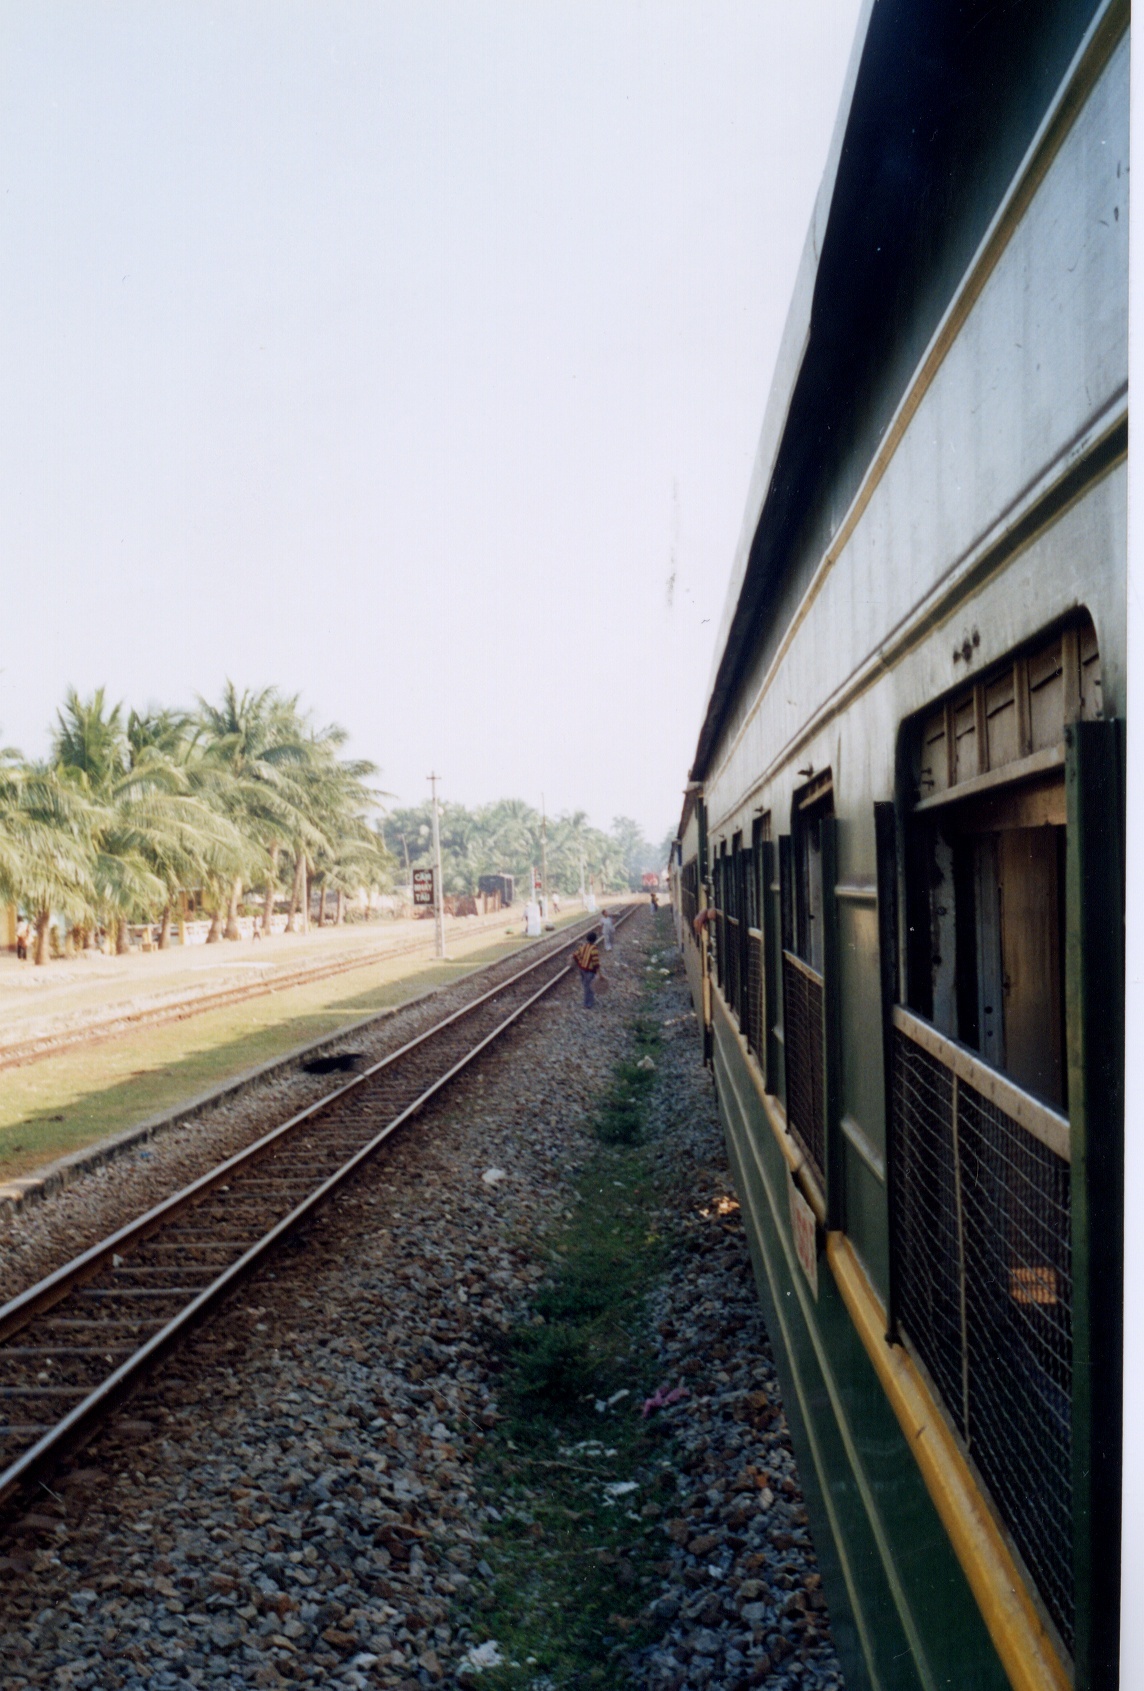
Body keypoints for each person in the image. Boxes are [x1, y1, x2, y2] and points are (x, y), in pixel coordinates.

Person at [573, 930, 601, 1008]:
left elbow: (575, 955)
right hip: (590, 971)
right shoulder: (594, 948)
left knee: (586, 985)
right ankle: (588, 1004)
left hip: (582, 969)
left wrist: (580, 963)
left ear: (587, 939)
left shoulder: (583, 946)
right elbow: (595, 961)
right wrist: (598, 972)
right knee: (590, 987)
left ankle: (586, 1002)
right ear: (595, 940)